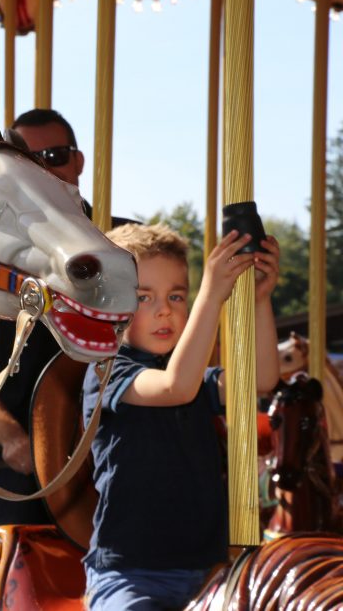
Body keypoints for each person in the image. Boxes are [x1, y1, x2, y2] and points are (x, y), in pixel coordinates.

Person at [82, 223, 280, 610]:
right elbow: (175, 388)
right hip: (130, 573)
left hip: (207, 570)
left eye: (176, 296)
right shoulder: (107, 373)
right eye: (143, 298)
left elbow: (262, 379)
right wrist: (212, 293)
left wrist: (259, 300)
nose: (164, 310)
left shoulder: (195, 378)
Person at [0, 108, 135, 532]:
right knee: (4, 528)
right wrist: (11, 437)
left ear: (78, 161)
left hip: (124, 441)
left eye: (55, 156)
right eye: (31, 162)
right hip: (26, 458)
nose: (45, 170)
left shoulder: (128, 244)